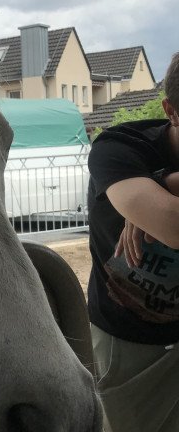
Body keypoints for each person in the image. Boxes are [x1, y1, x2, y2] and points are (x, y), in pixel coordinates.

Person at [87, 52, 179, 432]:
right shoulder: (119, 148)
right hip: (125, 343)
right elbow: (174, 225)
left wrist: (163, 184)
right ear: (171, 111)